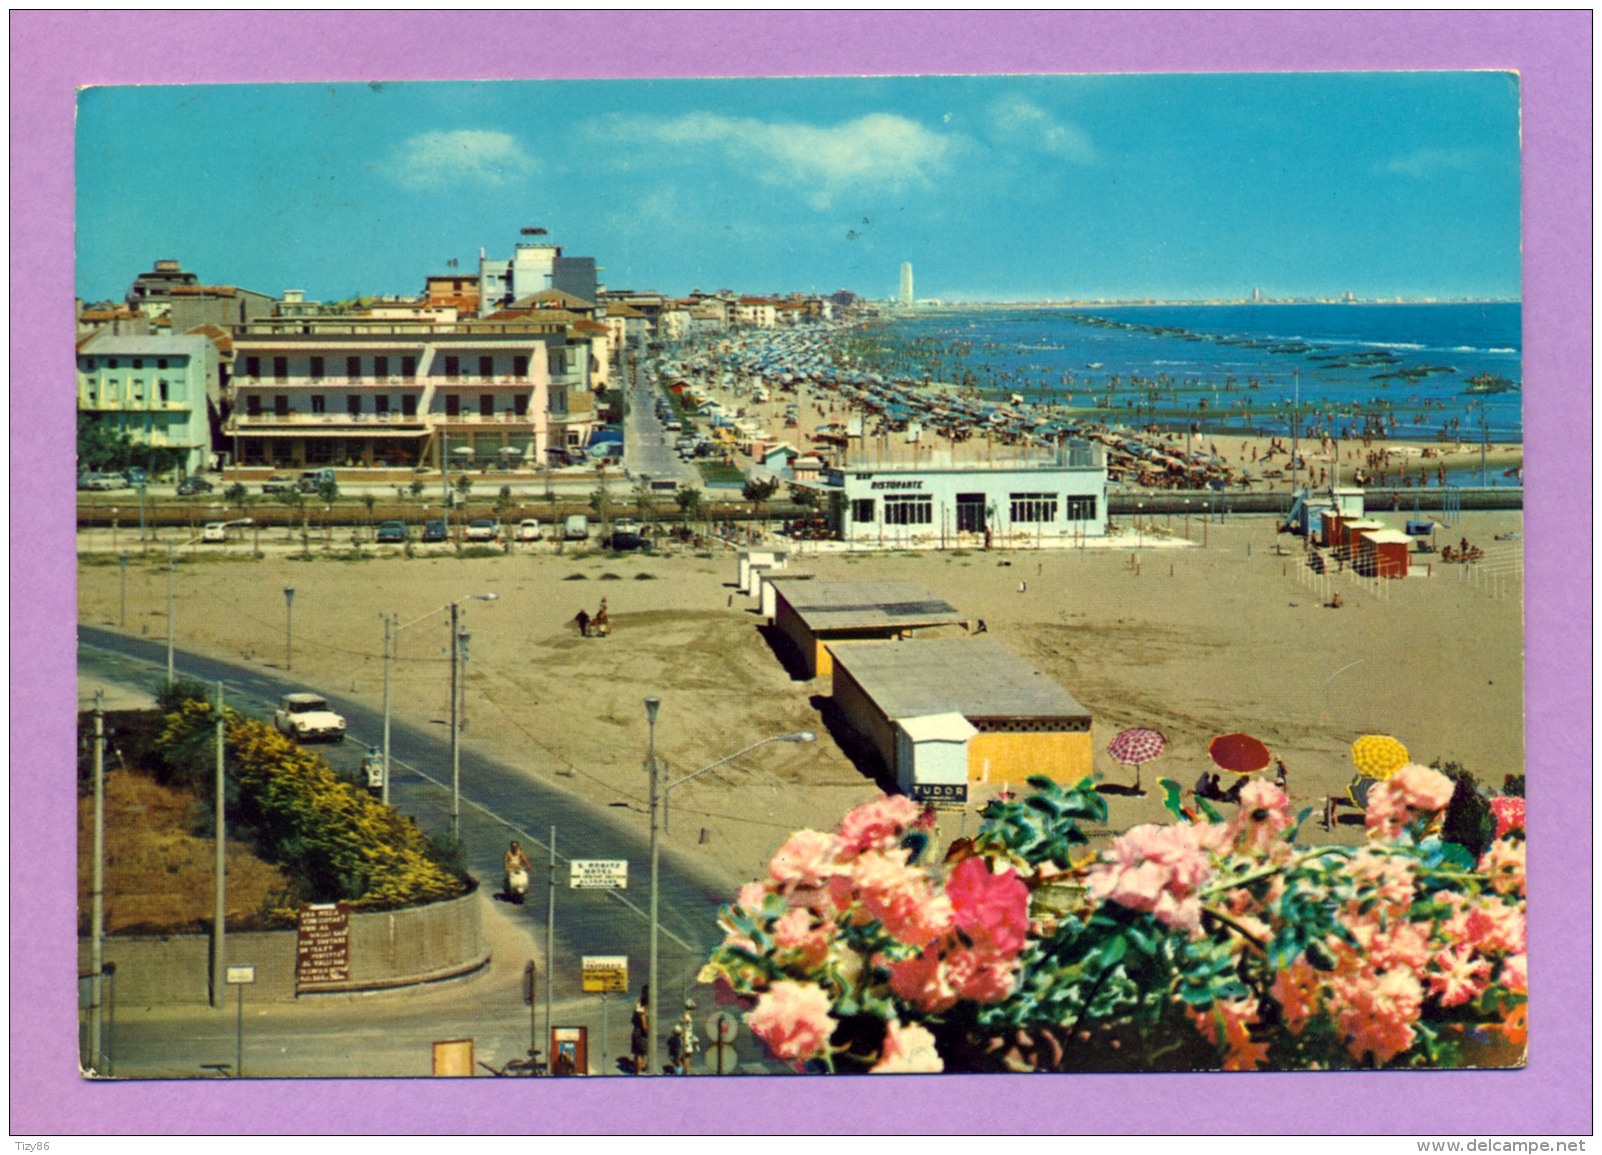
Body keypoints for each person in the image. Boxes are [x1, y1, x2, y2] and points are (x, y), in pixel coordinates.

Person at [630, 985, 650, 1075]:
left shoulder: (638, 1002)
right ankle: (639, 1073)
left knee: (638, 1054)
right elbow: (644, 1023)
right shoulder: (645, 1006)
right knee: (640, 1054)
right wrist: (648, 1032)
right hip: (641, 1033)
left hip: (635, 1031)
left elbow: (633, 1019)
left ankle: (637, 1072)